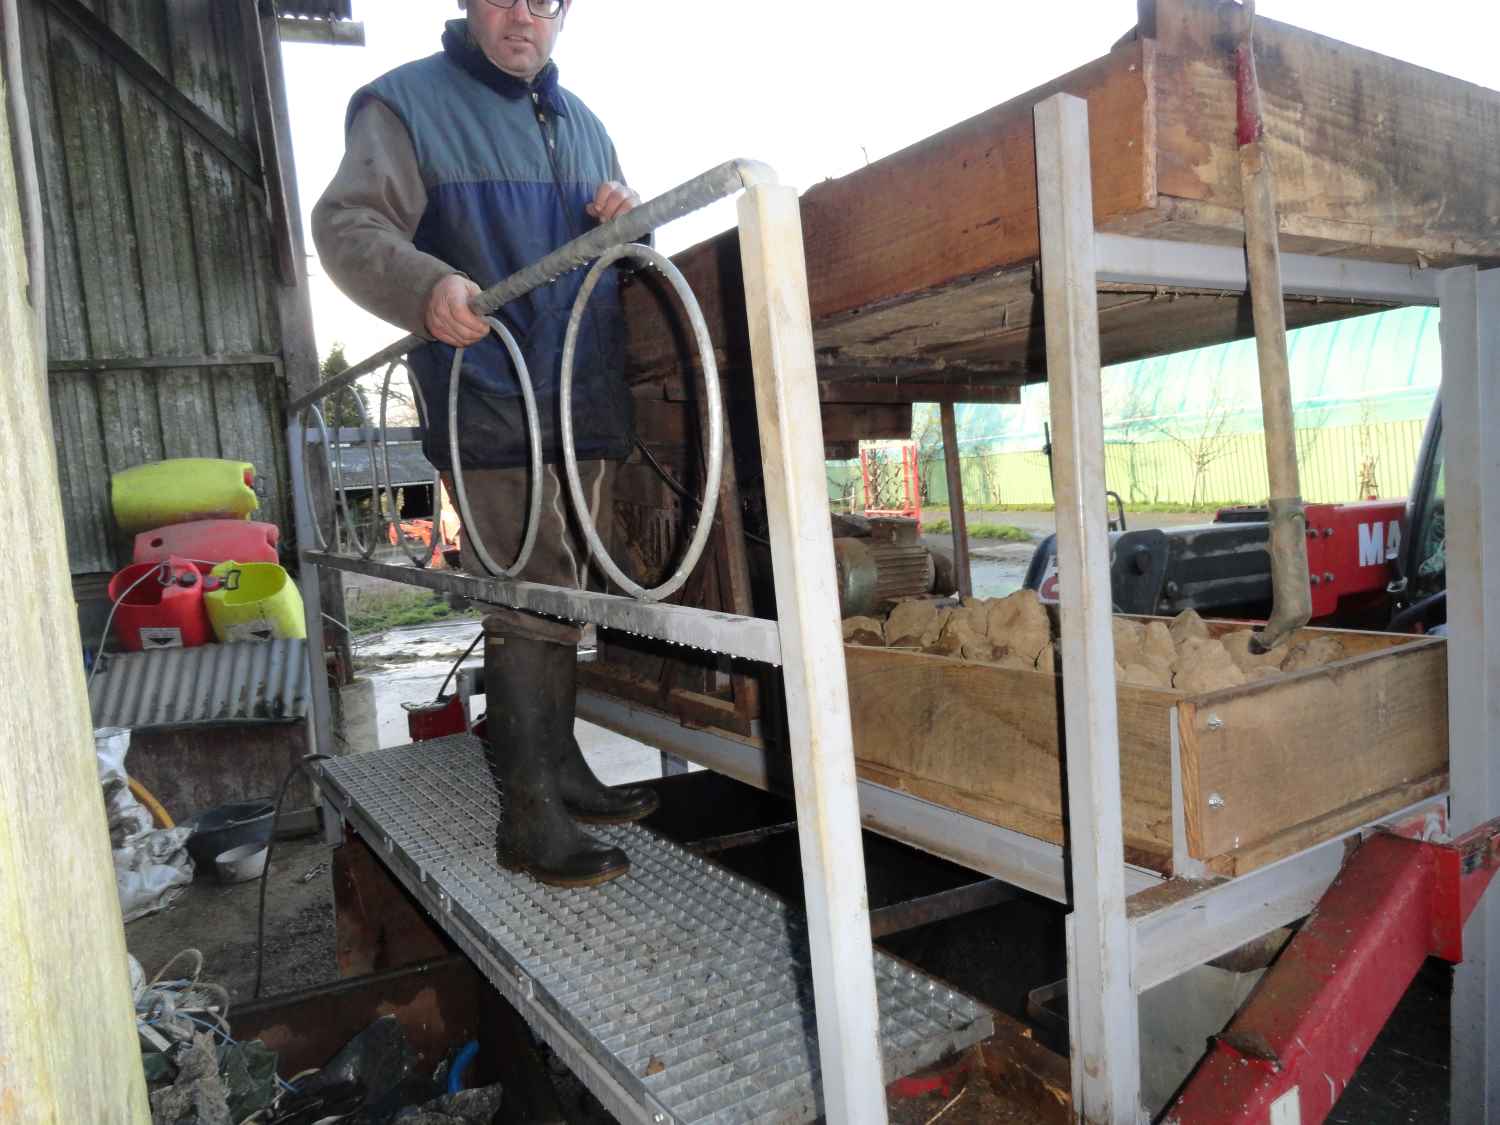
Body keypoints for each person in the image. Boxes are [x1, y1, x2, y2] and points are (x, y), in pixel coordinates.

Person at [312, 0, 657, 889]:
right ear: (466, 5)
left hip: (581, 394)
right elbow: (348, 226)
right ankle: (528, 812)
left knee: (566, 586)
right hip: (492, 392)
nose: (522, 15)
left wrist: (630, 221)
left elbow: (622, 254)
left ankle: (563, 768)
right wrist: (425, 285)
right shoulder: (405, 105)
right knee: (529, 590)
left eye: (542, 0)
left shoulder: (583, 123)